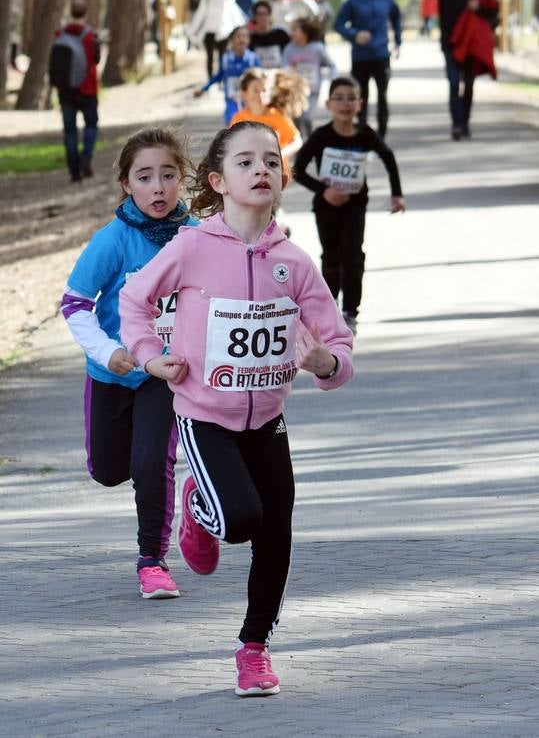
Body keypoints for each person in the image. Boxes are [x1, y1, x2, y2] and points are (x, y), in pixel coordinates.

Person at [119, 119, 354, 697]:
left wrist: (325, 362)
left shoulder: (294, 262)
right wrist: (151, 357)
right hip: (204, 418)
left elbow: (339, 343)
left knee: (277, 535)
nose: (262, 170)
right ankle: (201, 507)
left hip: (268, 422)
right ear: (219, 181)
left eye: (272, 161)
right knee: (243, 520)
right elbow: (134, 299)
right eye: (247, 162)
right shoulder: (193, 246)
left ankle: (254, 649)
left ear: (284, 176)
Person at [60, 128, 198, 600]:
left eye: (167, 175)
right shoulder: (114, 240)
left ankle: (152, 561)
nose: (157, 187)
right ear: (126, 184)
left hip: (169, 372)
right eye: (145, 177)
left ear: (182, 180)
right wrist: (107, 351)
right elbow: (75, 303)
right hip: (114, 371)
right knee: (109, 469)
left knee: (150, 462)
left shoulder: (198, 237)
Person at [294, 76, 405, 335]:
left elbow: (388, 156)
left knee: (354, 256)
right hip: (326, 207)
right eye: (339, 98)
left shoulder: (365, 134)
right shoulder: (322, 136)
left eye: (351, 98)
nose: (345, 104)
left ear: (360, 104)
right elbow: (297, 169)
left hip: (355, 206)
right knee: (331, 257)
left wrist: (396, 195)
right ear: (328, 104)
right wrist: (325, 190)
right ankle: (329, 308)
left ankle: (350, 312)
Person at [415, 0, 498, 140]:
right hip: (450, 43)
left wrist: (480, 8)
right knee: (453, 83)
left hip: (471, 45)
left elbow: (494, 8)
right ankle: (457, 125)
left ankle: (465, 122)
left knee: (468, 85)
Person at [335, 0, 401, 141]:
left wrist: (398, 41)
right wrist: (354, 34)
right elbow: (338, 24)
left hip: (381, 55)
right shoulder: (353, 0)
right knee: (360, 97)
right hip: (360, 57)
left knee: (382, 95)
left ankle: (381, 134)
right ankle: (362, 132)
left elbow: (396, 18)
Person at [52, 0, 100, 183]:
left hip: (65, 91)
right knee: (91, 125)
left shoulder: (60, 35)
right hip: (87, 88)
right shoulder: (90, 36)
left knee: (70, 130)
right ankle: (86, 158)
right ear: (85, 13)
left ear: (71, 12)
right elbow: (96, 60)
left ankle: (74, 171)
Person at [229, 69, 304, 177]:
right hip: (250, 175)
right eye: (256, 90)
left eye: (264, 90)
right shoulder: (239, 118)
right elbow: (231, 147)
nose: (260, 94)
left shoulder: (276, 115)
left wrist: (282, 153)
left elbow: (297, 141)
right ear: (244, 94)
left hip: (275, 174)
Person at [282, 18, 337, 138]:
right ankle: (300, 148)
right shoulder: (289, 49)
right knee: (295, 121)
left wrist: (332, 79)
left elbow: (331, 65)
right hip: (295, 92)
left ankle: (312, 140)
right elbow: (284, 68)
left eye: (295, 29)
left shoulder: (317, 48)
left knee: (307, 118)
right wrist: (291, 69)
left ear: (305, 32)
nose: (292, 33)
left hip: (312, 91)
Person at [193, 26, 260, 124]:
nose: (242, 40)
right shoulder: (225, 59)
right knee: (233, 128)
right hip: (231, 102)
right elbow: (218, 76)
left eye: (245, 36)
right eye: (238, 36)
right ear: (231, 40)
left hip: (249, 103)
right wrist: (203, 89)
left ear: (249, 40)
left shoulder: (253, 59)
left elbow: (261, 80)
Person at [187, 0, 246, 79]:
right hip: (210, 30)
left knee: (222, 56)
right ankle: (210, 77)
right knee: (210, 55)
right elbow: (200, 13)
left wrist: (240, 25)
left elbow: (233, 11)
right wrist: (193, 29)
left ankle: (221, 77)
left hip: (224, 30)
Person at [249, 1, 290, 69]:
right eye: (259, 14)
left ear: (270, 15)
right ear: (254, 17)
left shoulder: (281, 35)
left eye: (265, 14)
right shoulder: (250, 38)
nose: (263, 17)